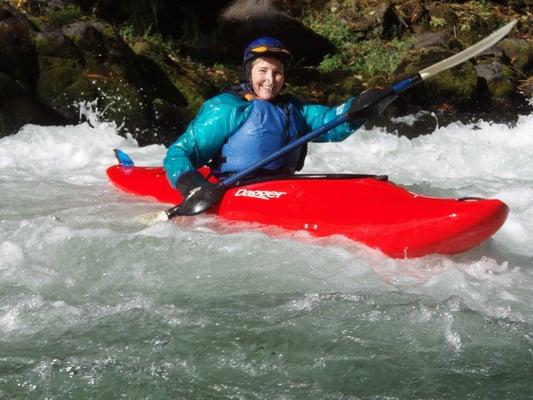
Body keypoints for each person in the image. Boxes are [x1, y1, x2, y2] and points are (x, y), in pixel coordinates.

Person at [163, 36, 363, 194]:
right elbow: (179, 152)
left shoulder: (294, 109)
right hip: (233, 189)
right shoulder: (227, 108)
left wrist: (358, 108)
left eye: (277, 73)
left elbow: (331, 122)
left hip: (284, 188)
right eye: (263, 70)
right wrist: (189, 184)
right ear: (249, 73)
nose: (270, 79)